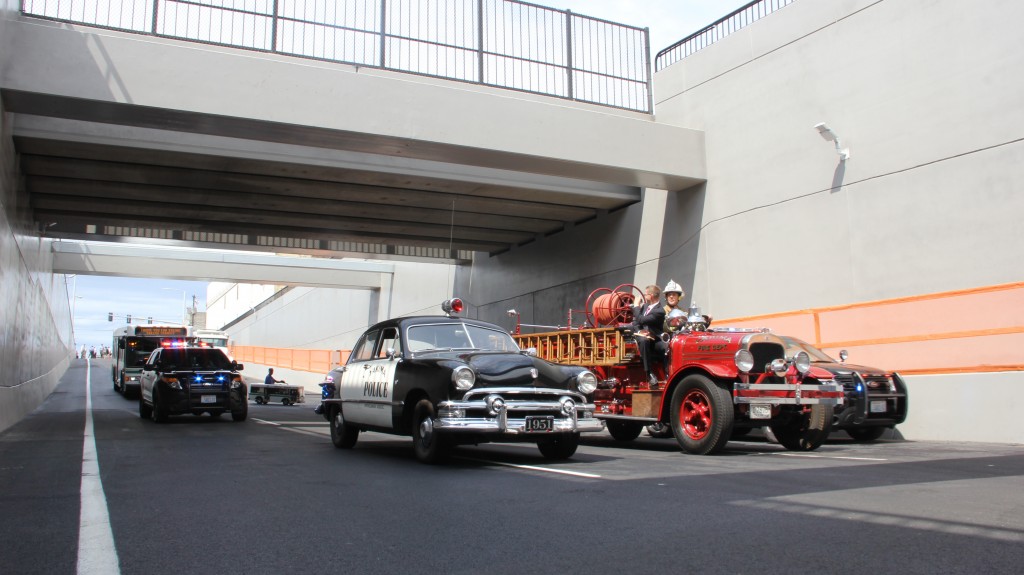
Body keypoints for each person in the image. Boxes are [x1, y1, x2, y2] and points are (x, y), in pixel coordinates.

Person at [631, 284, 665, 388]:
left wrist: (636, 306)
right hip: (643, 336)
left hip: (655, 339)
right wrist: (640, 331)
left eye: (645, 294)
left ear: (651, 296)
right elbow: (636, 322)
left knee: (666, 347)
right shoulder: (645, 306)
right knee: (644, 340)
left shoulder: (660, 311)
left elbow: (642, 319)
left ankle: (667, 373)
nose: (644, 297)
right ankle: (649, 373)